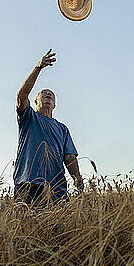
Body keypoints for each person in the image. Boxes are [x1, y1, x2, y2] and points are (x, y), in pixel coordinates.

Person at [13, 49, 84, 205]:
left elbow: (70, 157)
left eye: (51, 94)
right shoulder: (29, 117)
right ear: (36, 102)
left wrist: (77, 179)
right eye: (43, 93)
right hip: (28, 184)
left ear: (55, 104)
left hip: (57, 189)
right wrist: (38, 67)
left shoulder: (62, 129)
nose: (48, 94)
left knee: (58, 229)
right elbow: (21, 96)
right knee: (25, 227)